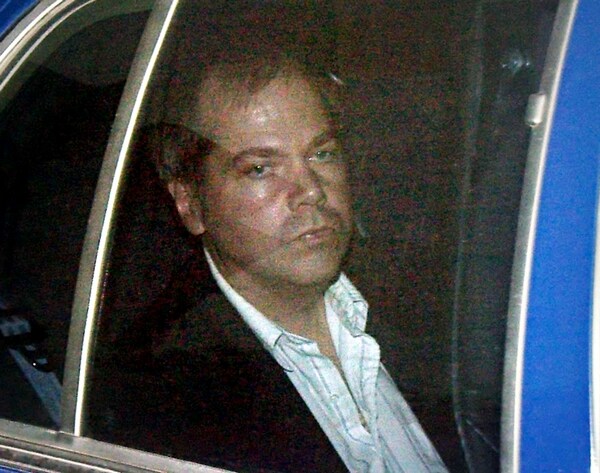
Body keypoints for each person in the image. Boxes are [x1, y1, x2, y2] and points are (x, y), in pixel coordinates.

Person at [91, 49, 449, 473]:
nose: (311, 191)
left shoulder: (433, 302)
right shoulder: (158, 395)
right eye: (260, 168)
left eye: (322, 154)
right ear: (190, 204)